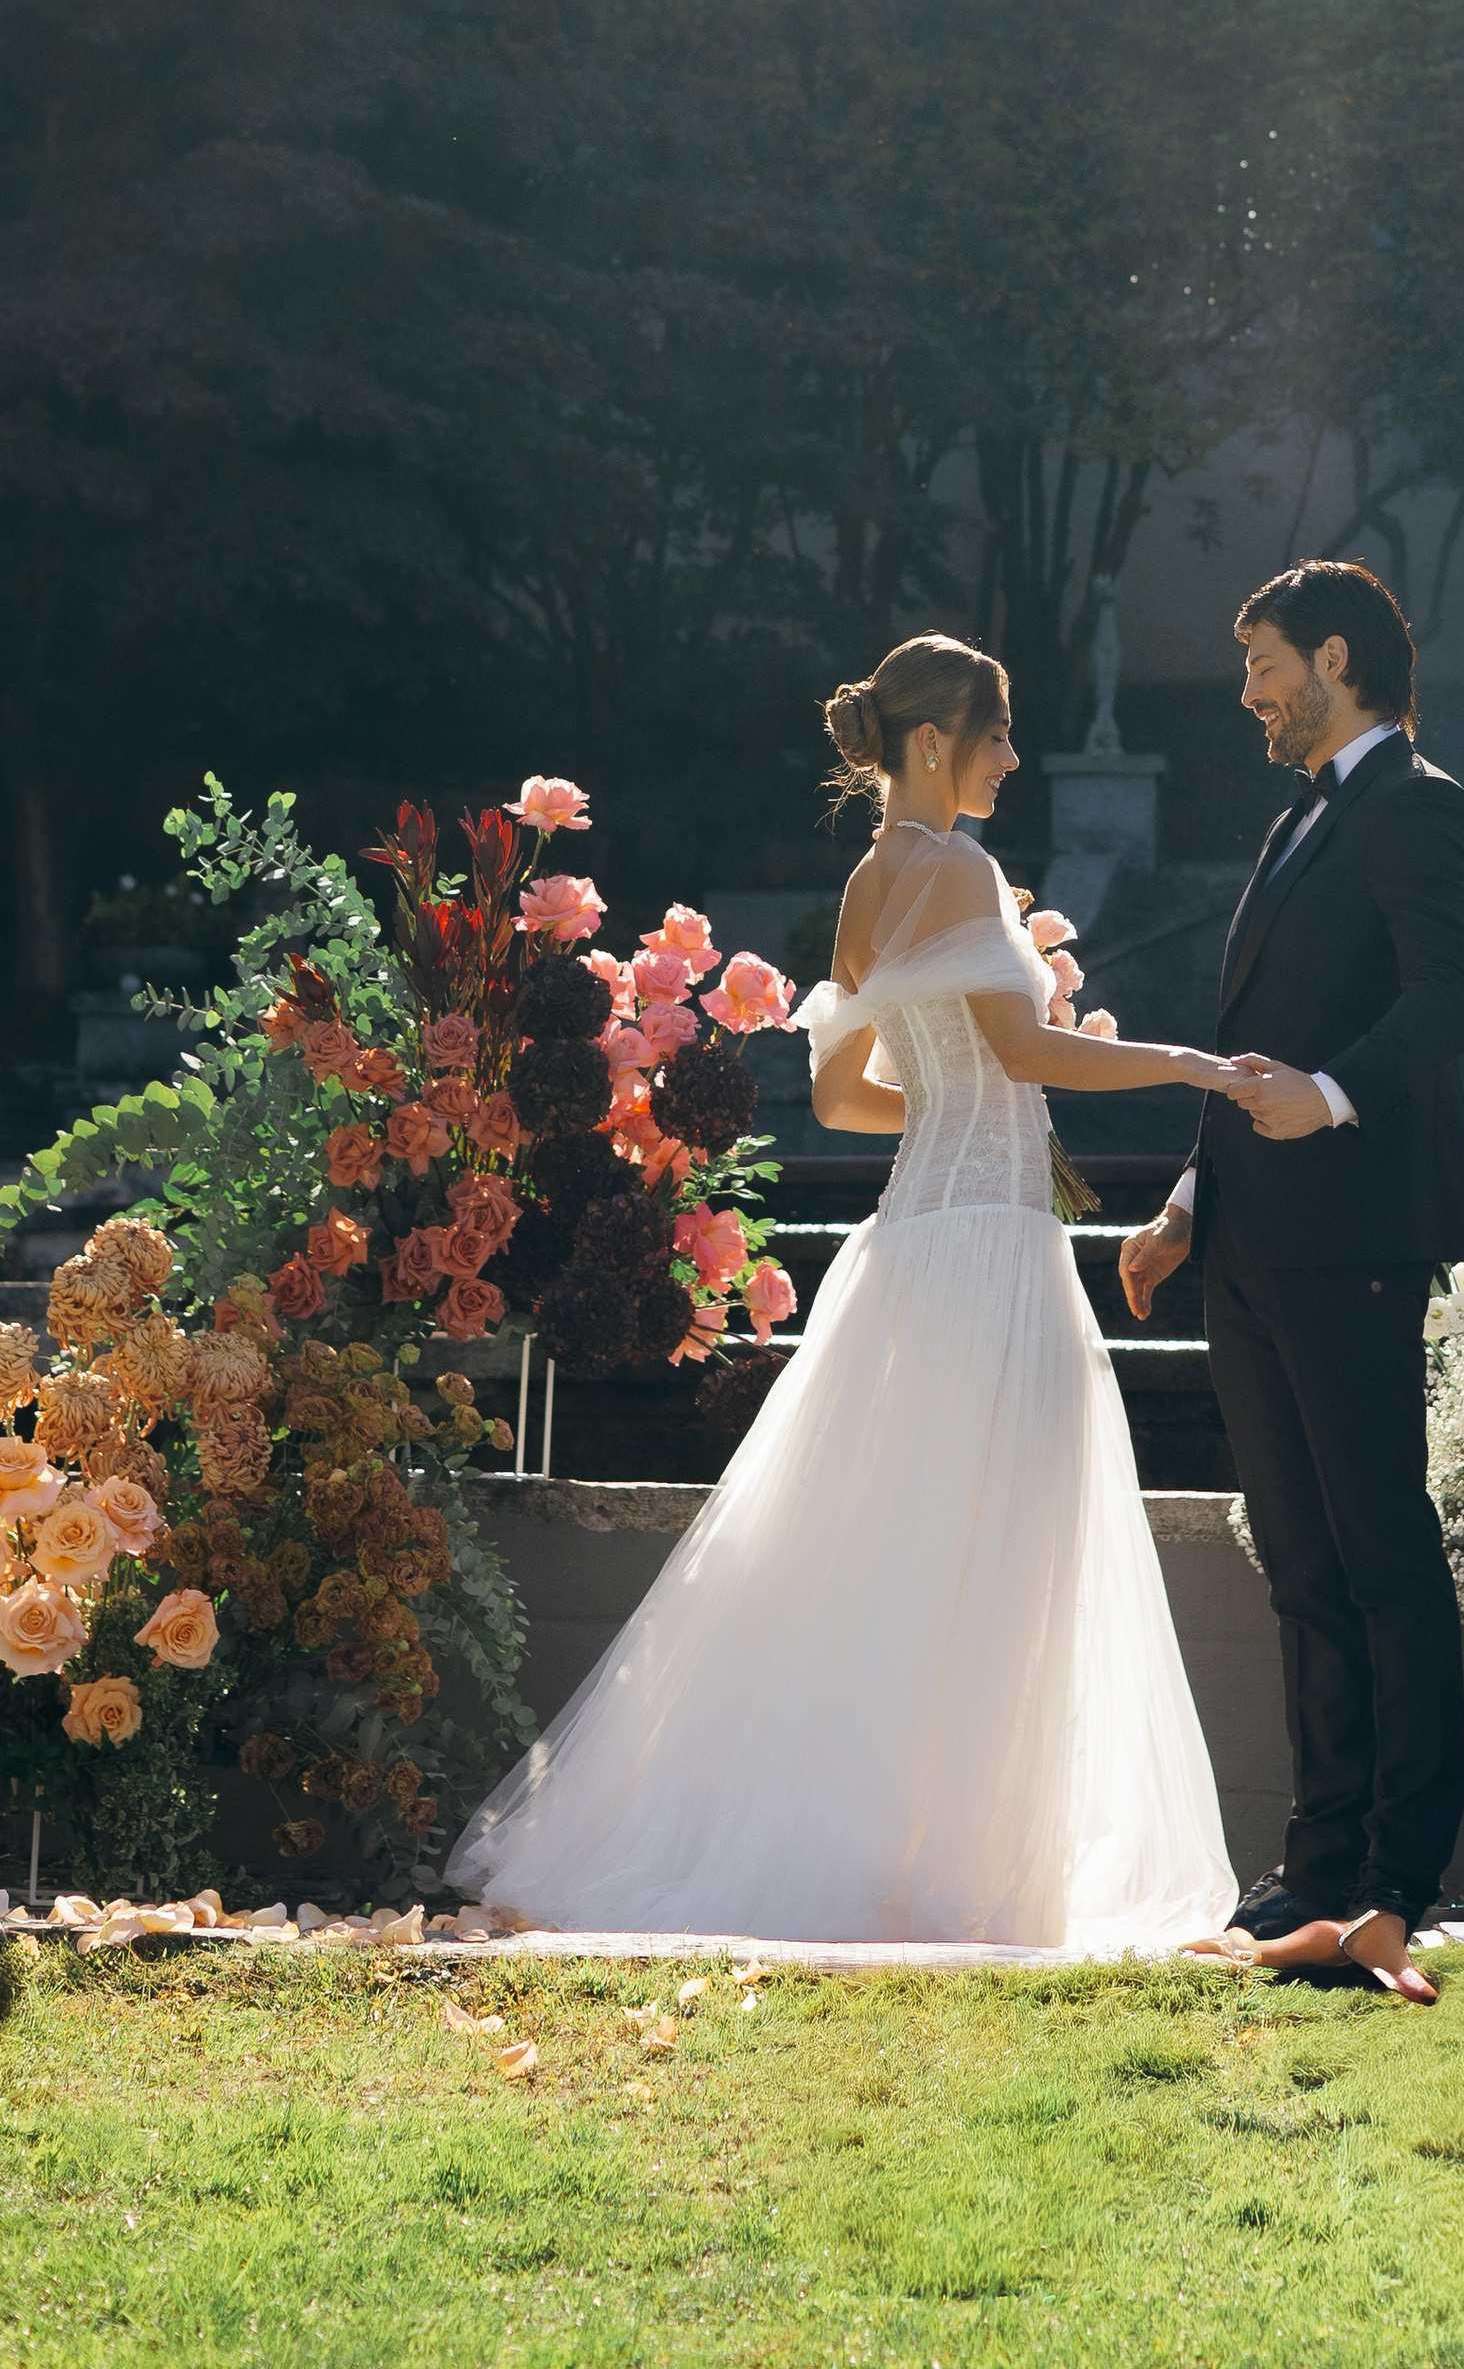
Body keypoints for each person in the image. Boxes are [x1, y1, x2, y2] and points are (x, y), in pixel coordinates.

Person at [450, 633, 1245, 1953]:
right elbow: (1022, 1044)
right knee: (997, 1545)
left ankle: (890, 1863)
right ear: (934, 744)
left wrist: (976, 1111)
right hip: (986, 1246)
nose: (1012, 756)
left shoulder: (872, 882)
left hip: (916, 1238)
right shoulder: (962, 868)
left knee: (897, 1545)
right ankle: (967, 1877)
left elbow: (838, 1092)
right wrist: (1197, 1068)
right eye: (997, 734)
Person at [1121, 562, 1464, 2005]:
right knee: (1303, 1565)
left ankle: (1404, 1877)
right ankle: (1318, 1865)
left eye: (1263, 662)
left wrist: (1335, 1097)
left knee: (1384, 1556)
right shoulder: (1298, 823)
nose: (1248, 692)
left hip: (1354, 1243)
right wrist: (1183, 1205)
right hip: (1250, 1245)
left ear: (1334, 657)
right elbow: (1249, 1050)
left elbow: (1450, 997)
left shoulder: (1422, 804)